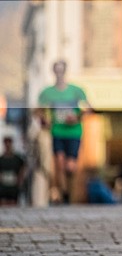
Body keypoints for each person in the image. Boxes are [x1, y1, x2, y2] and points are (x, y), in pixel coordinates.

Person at [37, 60, 90, 204]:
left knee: (70, 166)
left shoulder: (76, 91)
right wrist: (44, 120)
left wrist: (77, 117)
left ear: (65, 71)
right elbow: (38, 111)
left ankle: (70, 192)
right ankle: (62, 192)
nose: (59, 74)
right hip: (57, 132)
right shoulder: (47, 93)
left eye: (61, 70)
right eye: (57, 70)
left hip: (74, 132)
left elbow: (87, 109)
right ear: (53, 72)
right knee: (59, 163)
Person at [0, 136, 26, 206]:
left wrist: (20, 178)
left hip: (13, 187)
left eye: (9, 143)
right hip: (3, 187)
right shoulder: (1, 159)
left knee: (13, 205)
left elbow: (23, 167)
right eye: (6, 143)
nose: (8, 145)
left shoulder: (17, 159)